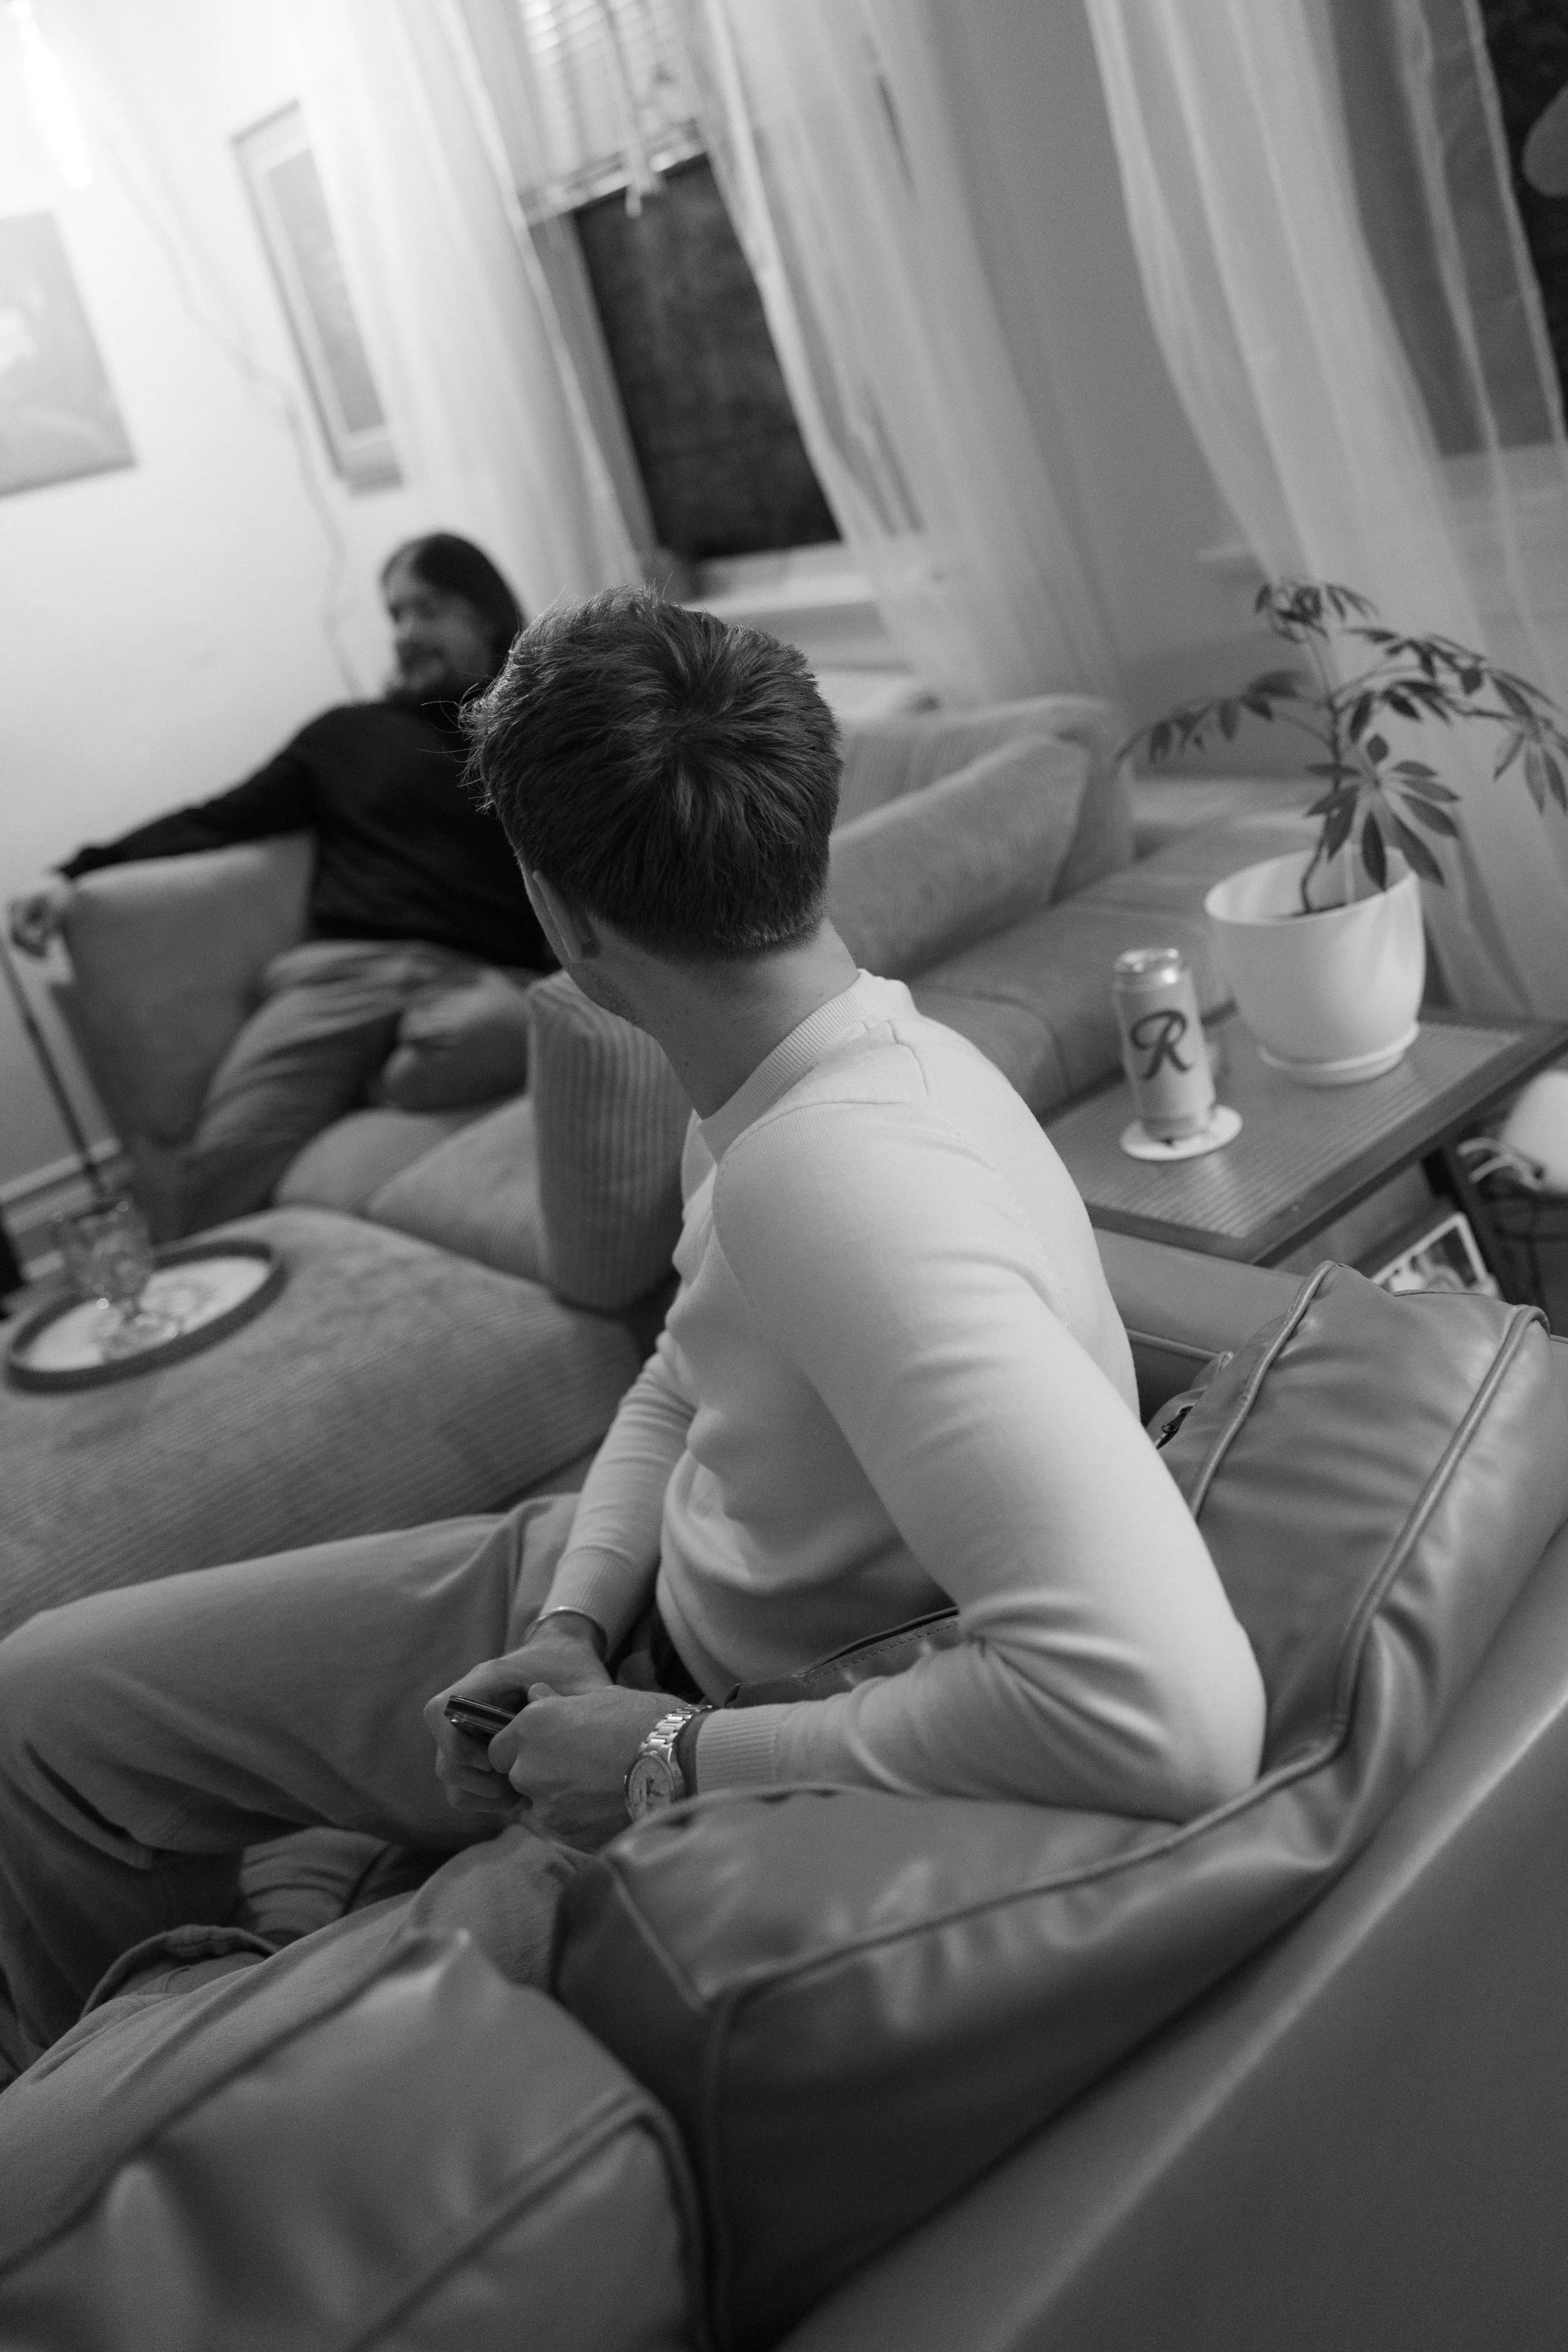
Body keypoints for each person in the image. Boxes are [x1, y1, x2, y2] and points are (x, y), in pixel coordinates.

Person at [0, 591, 1266, 2091]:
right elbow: (684, 1366)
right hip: (621, 1597)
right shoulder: (782, 1074)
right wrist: (573, 1619)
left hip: (722, 1695)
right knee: (44, 1706)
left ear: (561, 910)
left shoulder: (845, 1174)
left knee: (69, 1796)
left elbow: (1175, 1712)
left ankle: (162, 2092)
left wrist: (664, 1751)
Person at [6, 534, 555, 1235]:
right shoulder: (346, 735)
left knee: (491, 1033)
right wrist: (73, 872)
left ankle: (374, 1082)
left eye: (430, 608)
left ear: (484, 613)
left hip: (476, 980)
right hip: (341, 975)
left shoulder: (533, 743)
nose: (408, 633)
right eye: (396, 616)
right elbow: (216, 817)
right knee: (220, 1169)